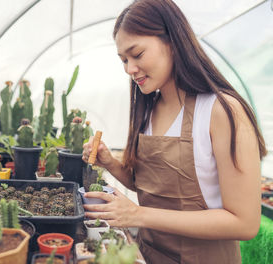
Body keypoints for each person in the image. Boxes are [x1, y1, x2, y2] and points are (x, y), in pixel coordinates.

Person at [81, 0, 267, 263]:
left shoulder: (221, 111)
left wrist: (137, 215)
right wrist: (110, 163)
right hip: (149, 255)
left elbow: (244, 223)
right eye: (123, 60)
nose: (129, 69)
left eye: (137, 54)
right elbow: (149, 187)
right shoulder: (149, 108)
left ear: (172, 41)